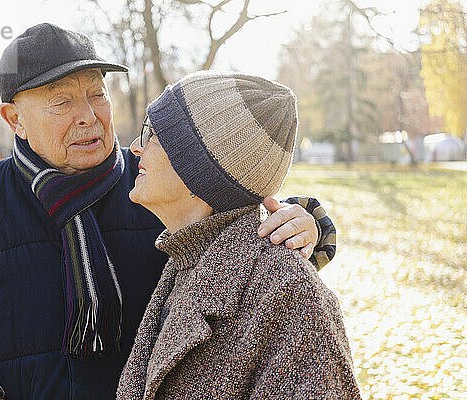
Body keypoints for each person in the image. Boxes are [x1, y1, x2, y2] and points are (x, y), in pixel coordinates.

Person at [0, 24, 336, 400]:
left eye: (97, 94)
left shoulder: (155, 185)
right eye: (61, 102)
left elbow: (234, 212)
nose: (88, 116)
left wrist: (307, 224)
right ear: (15, 119)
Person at [117, 71, 360, 399]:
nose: (134, 147)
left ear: (197, 170)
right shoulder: (184, 261)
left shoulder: (293, 297)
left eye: (152, 134)